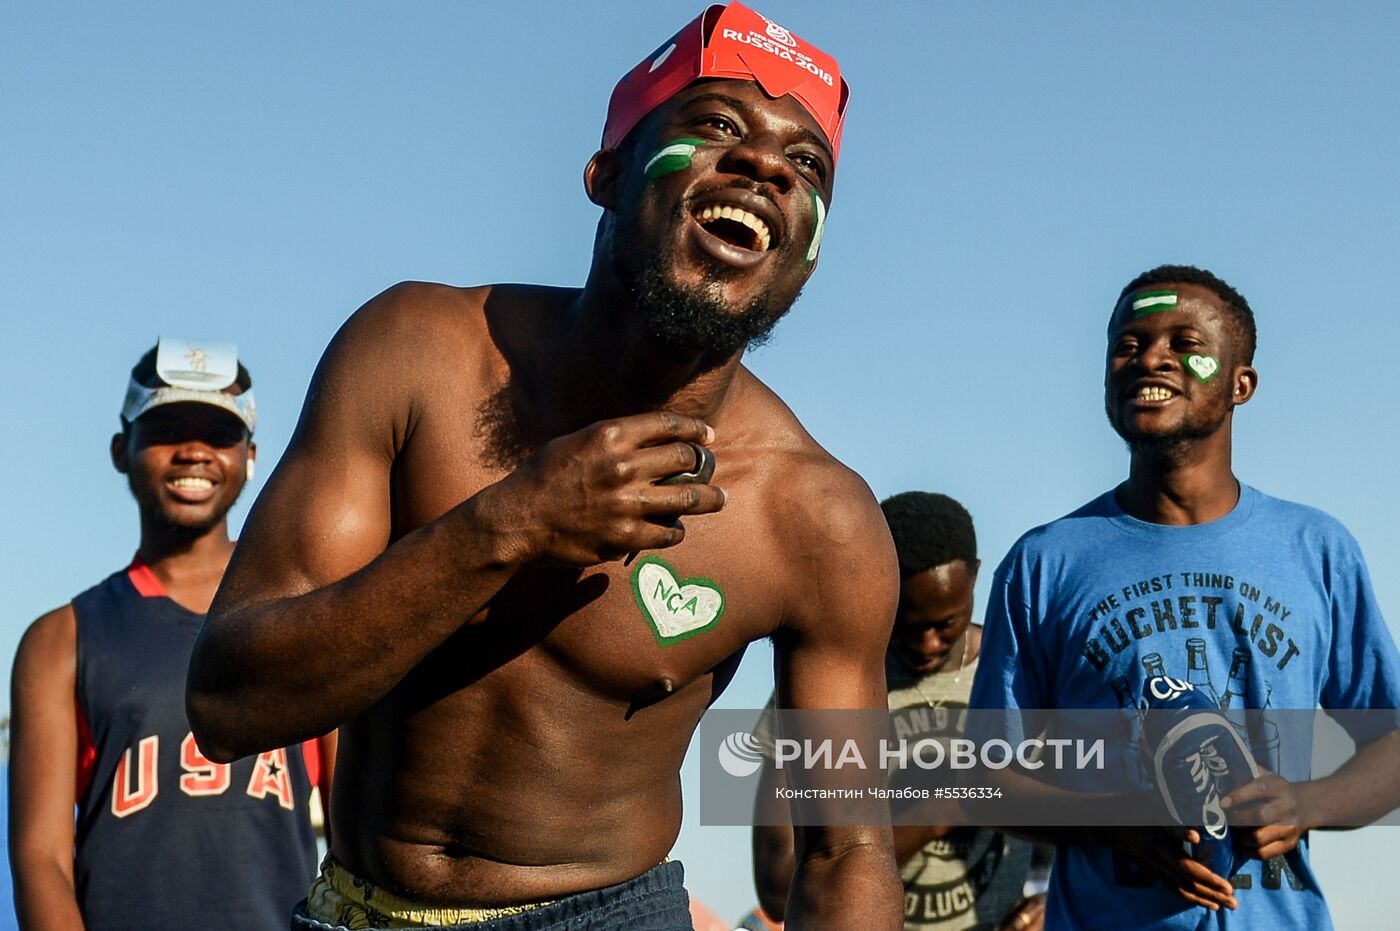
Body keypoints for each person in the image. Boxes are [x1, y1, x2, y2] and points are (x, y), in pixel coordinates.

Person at [185, 4, 903, 929]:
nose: (765, 164)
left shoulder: (817, 520)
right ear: (605, 173)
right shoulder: (415, 353)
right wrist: (511, 523)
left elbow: (849, 852)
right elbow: (230, 703)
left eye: (807, 164)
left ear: (809, 252)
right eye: (717, 126)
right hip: (351, 903)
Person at [967, 265, 1400, 929]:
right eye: (1130, 342)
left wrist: (1305, 802)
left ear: (1241, 383)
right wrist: (1115, 820)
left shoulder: (1316, 549)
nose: (1152, 357)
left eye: (1182, 341)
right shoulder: (1045, 562)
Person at [8, 338, 334, 931]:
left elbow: (355, 837)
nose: (192, 451)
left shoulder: (309, 616)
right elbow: (41, 858)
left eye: (217, 433)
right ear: (119, 450)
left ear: (250, 455)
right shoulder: (62, 639)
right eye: (166, 429)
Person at [749, 492, 1048, 931]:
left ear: (974, 579)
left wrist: (1052, 899)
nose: (928, 645)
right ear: (875, 587)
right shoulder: (823, 687)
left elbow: (1076, 832)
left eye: (946, 623)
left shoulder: (1020, 680)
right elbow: (779, 887)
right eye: (906, 626)